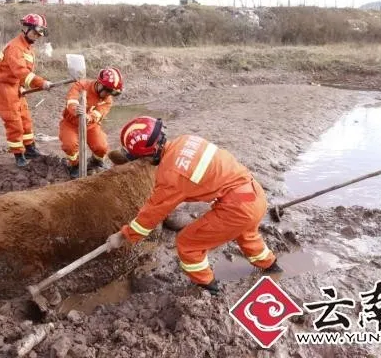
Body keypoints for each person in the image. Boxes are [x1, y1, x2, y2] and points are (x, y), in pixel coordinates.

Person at [106, 116, 282, 294]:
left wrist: (124, 235)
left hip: (236, 208)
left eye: (140, 158)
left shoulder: (171, 174)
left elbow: (151, 214)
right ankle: (272, 267)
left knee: (188, 242)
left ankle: (209, 289)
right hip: (254, 194)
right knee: (246, 234)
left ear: (149, 152)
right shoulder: (186, 140)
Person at [0, 14, 52, 168]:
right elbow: (21, 72)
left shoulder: (27, 46)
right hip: (6, 88)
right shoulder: (15, 47)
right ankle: (19, 154)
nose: (37, 37)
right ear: (26, 29)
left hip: (17, 87)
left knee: (25, 120)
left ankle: (30, 149)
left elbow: (24, 73)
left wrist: (23, 85)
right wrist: (41, 83)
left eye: (40, 35)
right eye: (35, 33)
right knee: (14, 123)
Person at [59, 67, 122, 178]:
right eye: (108, 90)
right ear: (100, 84)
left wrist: (90, 117)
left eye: (112, 92)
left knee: (101, 147)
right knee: (70, 145)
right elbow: (71, 99)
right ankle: (75, 165)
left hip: (91, 126)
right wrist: (76, 109)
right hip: (71, 123)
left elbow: (100, 113)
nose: (108, 94)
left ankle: (96, 161)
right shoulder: (81, 85)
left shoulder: (107, 99)